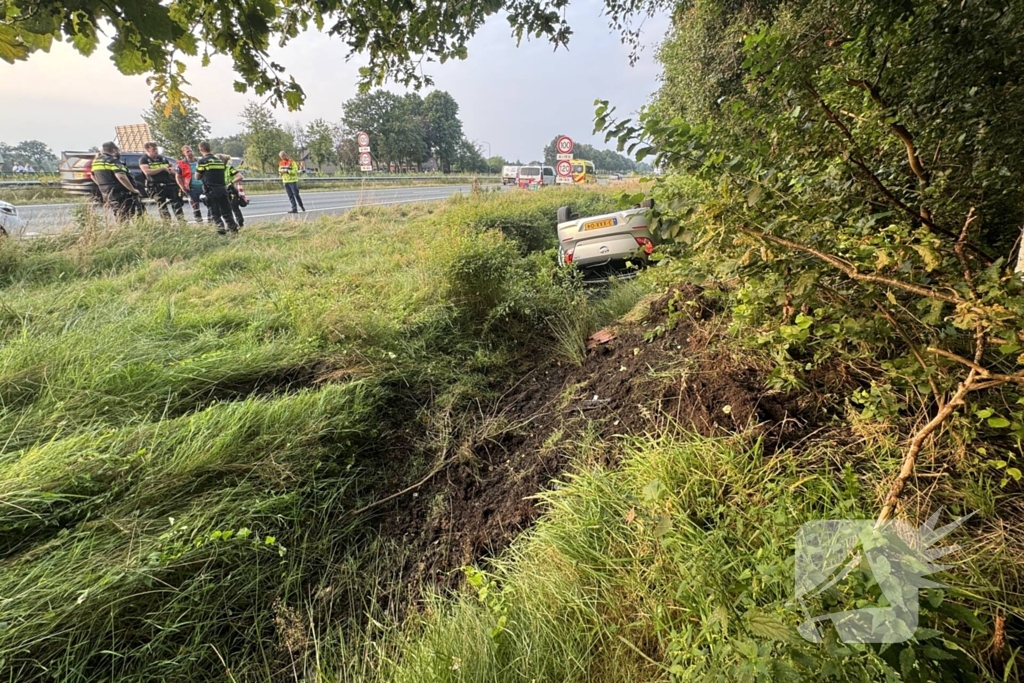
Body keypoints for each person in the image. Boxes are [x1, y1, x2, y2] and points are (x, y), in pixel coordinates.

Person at [90, 142, 145, 221]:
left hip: (107, 193)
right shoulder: (113, 161)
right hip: (120, 193)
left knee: (119, 214)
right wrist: (132, 190)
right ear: (114, 150)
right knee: (127, 215)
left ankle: (122, 228)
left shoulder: (96, 161)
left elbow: (92, 176)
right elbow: (121, 176)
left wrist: (102, 186)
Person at [195, 141, 238, 234]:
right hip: (222, 189)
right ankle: (234, 231)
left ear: (201, 149)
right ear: (210, 148)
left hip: (211, 190)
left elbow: (197, 176)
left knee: (215, 214)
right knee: (227, 213)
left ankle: (221, 233)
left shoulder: (203, 161)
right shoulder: (219, 161)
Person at [140, 142, 187, 221]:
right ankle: (167, 223)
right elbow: (147, 172)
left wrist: (173, 171)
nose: (156, 151)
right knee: (162, 205)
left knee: (176, 203)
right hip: (156, 186)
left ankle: (181, 221)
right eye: (153, 149)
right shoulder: (144, 160)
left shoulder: (162, 158)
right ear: (147, 149)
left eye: (156, 149)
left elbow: (171, 168)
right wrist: (162, 169)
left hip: (169, 184)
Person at [179, 145, 207, 223]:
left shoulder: (199, 161)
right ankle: (199, 222)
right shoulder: (182, 164)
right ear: (184, 153)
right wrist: (182, 187)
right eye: (187, 151)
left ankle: (211, 220)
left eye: (191, 151)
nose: (190, 153)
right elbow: (178, 176)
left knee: (209, 203)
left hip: (203, 186)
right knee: (195, 206)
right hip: (191, 188)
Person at [218, 154, 247, 228]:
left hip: (230, 190)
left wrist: (231, 183)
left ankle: (240, 224)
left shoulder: (229, 168)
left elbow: (240, 176)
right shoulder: (216, 169)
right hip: (221, 190)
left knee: (234, 208)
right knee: (226, 209)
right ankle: (231, 225)